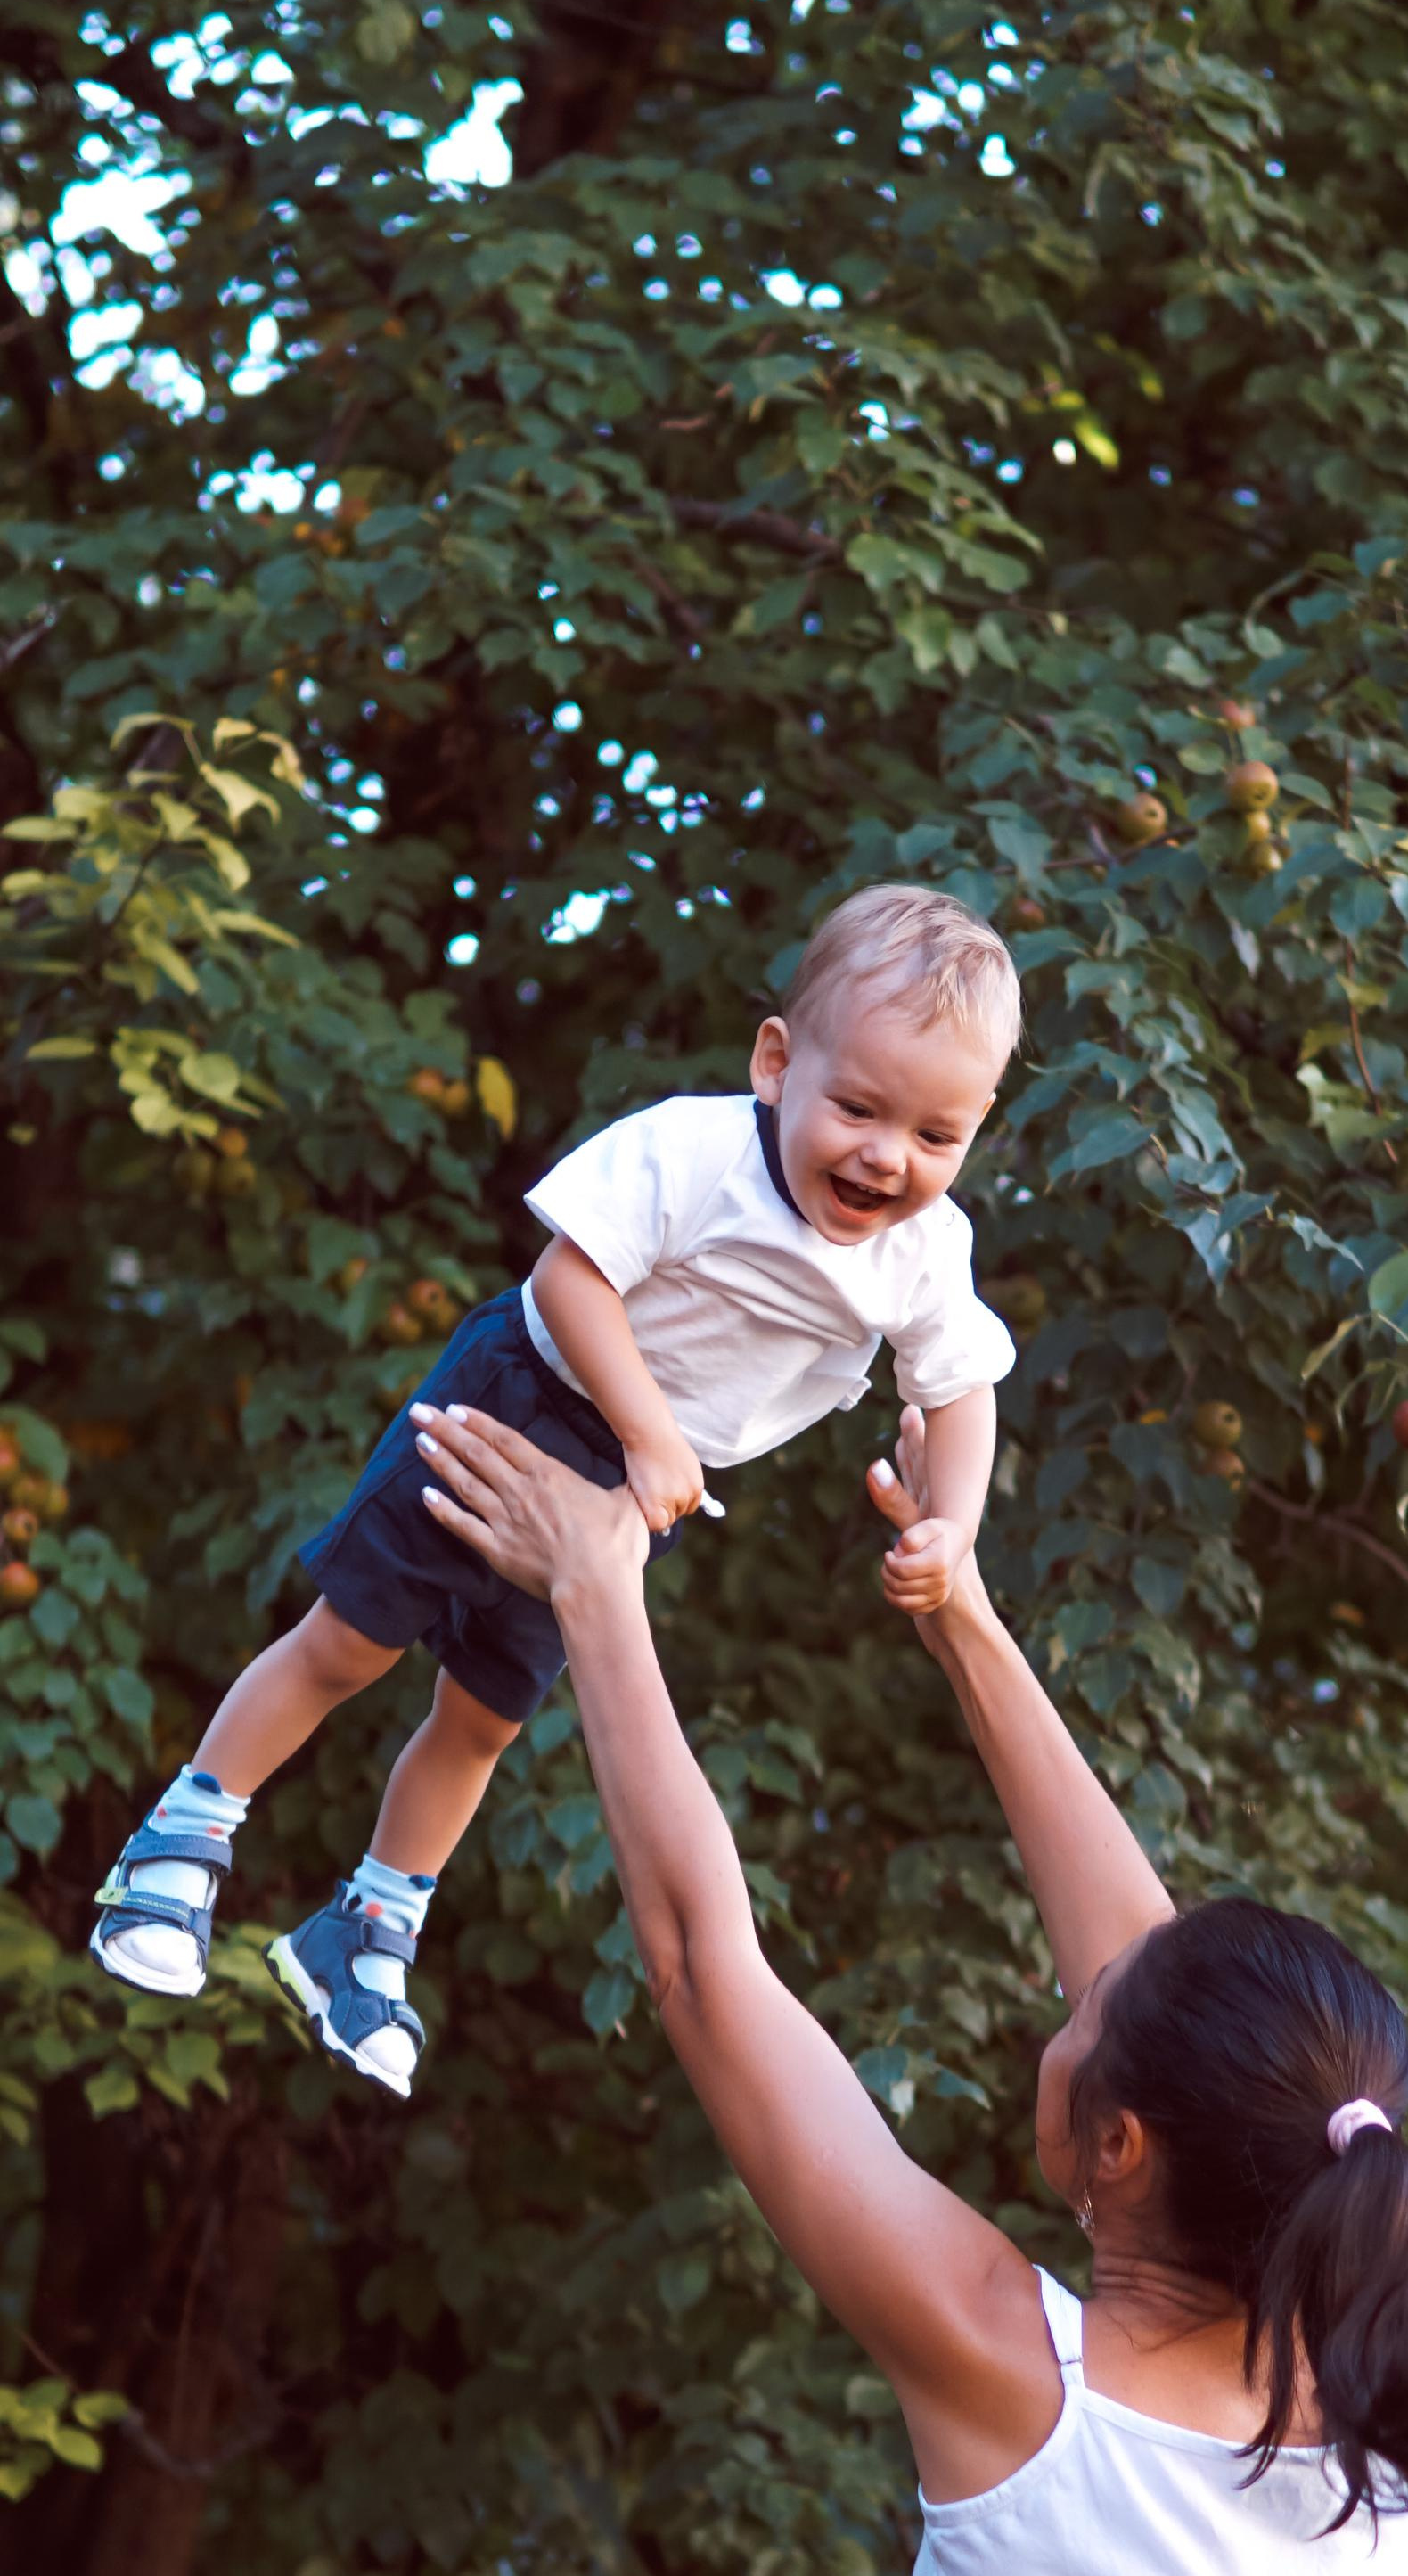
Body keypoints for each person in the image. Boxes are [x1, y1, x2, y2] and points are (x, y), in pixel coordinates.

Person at [406, 1394, 1408, 2576]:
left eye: (1076, 2026)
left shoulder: (1008, 2375)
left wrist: (598, 1592)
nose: (1072, 2003)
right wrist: (961, 1613)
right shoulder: (1373, 2360)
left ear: (1117, 2143)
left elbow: (702, 1967)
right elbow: (1167, 2004)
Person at [87, 885, 1020, 2096]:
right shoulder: (696, 1151)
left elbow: (960, 1393)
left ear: (975, 1128)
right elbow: (569, 1279)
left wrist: (952, 1526)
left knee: (481, 1719)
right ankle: (182, 1837)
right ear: (778, 1063)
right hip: (521, 1396)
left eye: (936, 1137)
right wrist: (644, 1431)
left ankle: (366, 1929)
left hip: (637, 1497)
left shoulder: (925, 1253)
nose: (887, 1156)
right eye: (856, 1108)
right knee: (353, 1644)